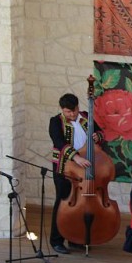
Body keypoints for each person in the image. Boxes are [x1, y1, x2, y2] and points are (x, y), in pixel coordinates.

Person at [48, 93, 102, 254]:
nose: (72, 114)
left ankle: (75, 238)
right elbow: (59, 142)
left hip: (85, 167)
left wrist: (97, 136)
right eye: (68, 111)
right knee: (63, 203)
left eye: (74, 110)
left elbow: (100, 132)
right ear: (62, 109)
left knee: (81, 204)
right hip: (65, 168)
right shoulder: (56, 121)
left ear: (78, 107)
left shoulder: (86, 116)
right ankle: (56, 240)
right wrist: (76, 157)